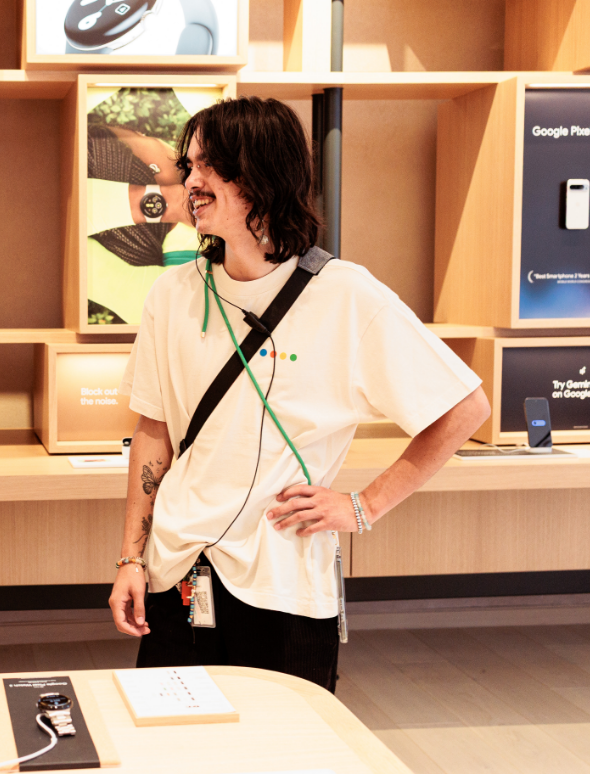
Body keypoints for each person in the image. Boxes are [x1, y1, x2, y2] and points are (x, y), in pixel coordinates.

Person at [108, 96, 491, 691]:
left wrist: (361, 508)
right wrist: (132, 558)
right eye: (190, 166)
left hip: (283, 580)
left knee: (287, 750)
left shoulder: (344, 295)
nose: (193, 182)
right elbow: (153, 433)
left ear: (263, 174)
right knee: (172, 745)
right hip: (177, 570)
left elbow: (465, 407)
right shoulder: (171, 294)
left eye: (211, 166)